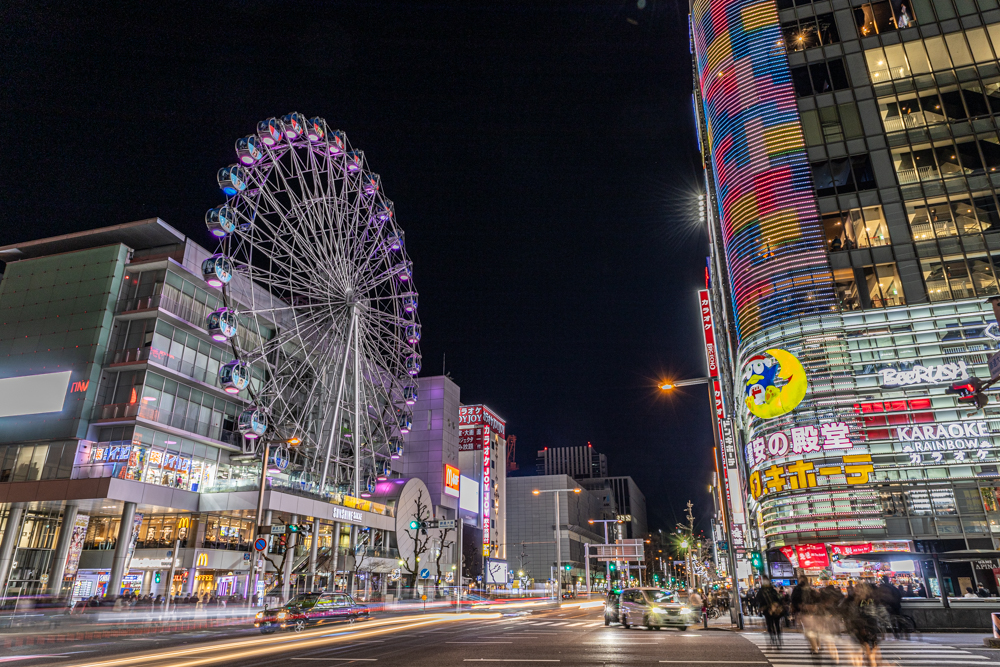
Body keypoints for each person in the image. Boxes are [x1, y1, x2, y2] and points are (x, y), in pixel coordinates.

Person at [791, 576, 820, 655]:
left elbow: (794, 600)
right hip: (813, 613)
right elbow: (818, 599)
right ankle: (817, 645)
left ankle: (814, 648)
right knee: (813, 630)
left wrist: (799, 607)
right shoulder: (811, 590)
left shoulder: (798, 590)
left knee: (808, 631)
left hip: (805, 613)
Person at [756, 577, 785, 648]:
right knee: (776, 624)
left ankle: (773, 639)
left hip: (768, 610)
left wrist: (760, 607)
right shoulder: (772, 590)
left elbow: (757, 600)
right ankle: (777, 639)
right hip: (773, 610)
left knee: (771, 625)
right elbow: (778, 599)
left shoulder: (762, 591)